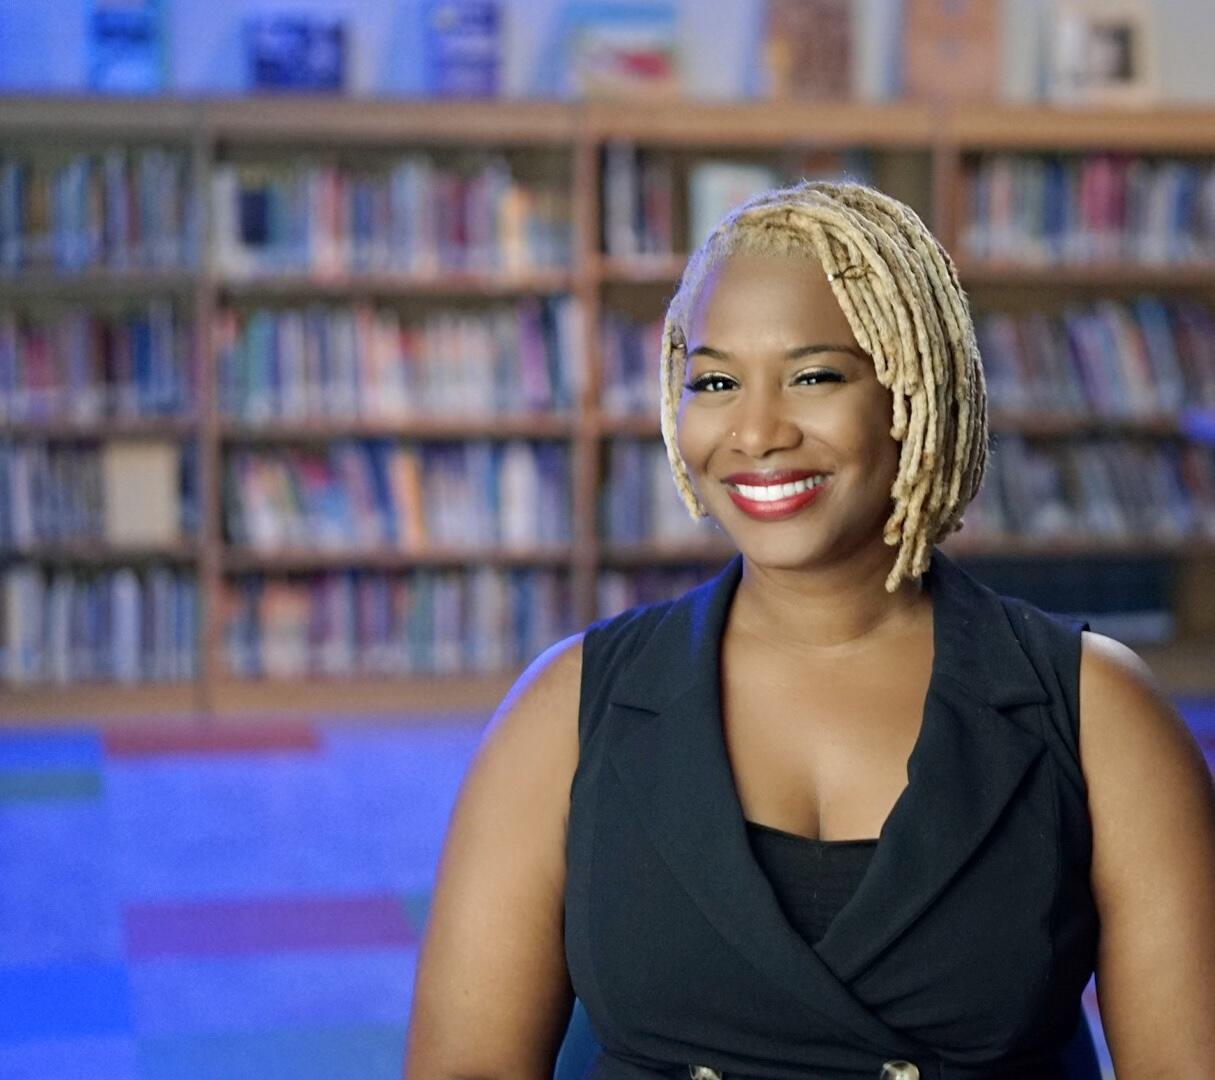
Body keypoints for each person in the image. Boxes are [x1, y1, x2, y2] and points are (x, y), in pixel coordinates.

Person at [405, 181, 1215, 1079]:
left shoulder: (1099, 712)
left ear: (916, 393)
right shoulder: (567, 707)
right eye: (715, 382)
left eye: (814, 376)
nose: (754, 432)